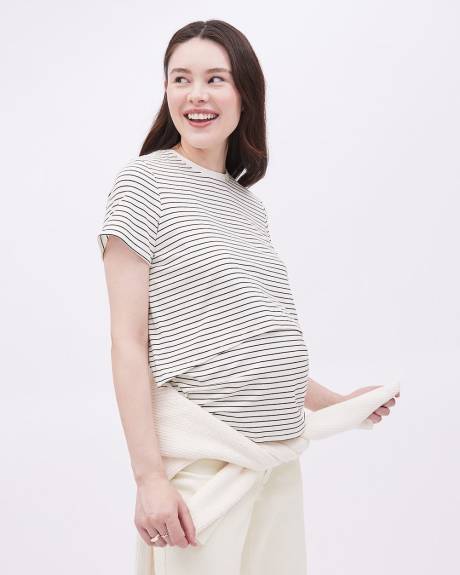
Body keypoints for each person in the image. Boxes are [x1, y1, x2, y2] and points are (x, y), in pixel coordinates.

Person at [97, 19, 399, 575]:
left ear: (245, 94)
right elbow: (127, 342)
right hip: (203, 469)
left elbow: (247, 339)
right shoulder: (144, 183)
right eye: (181, 79)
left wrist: (335, 403)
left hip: (276, 460)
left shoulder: (247, 206)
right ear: (166, 92)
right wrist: (150, 478)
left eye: (216, 78)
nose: (197, 94)